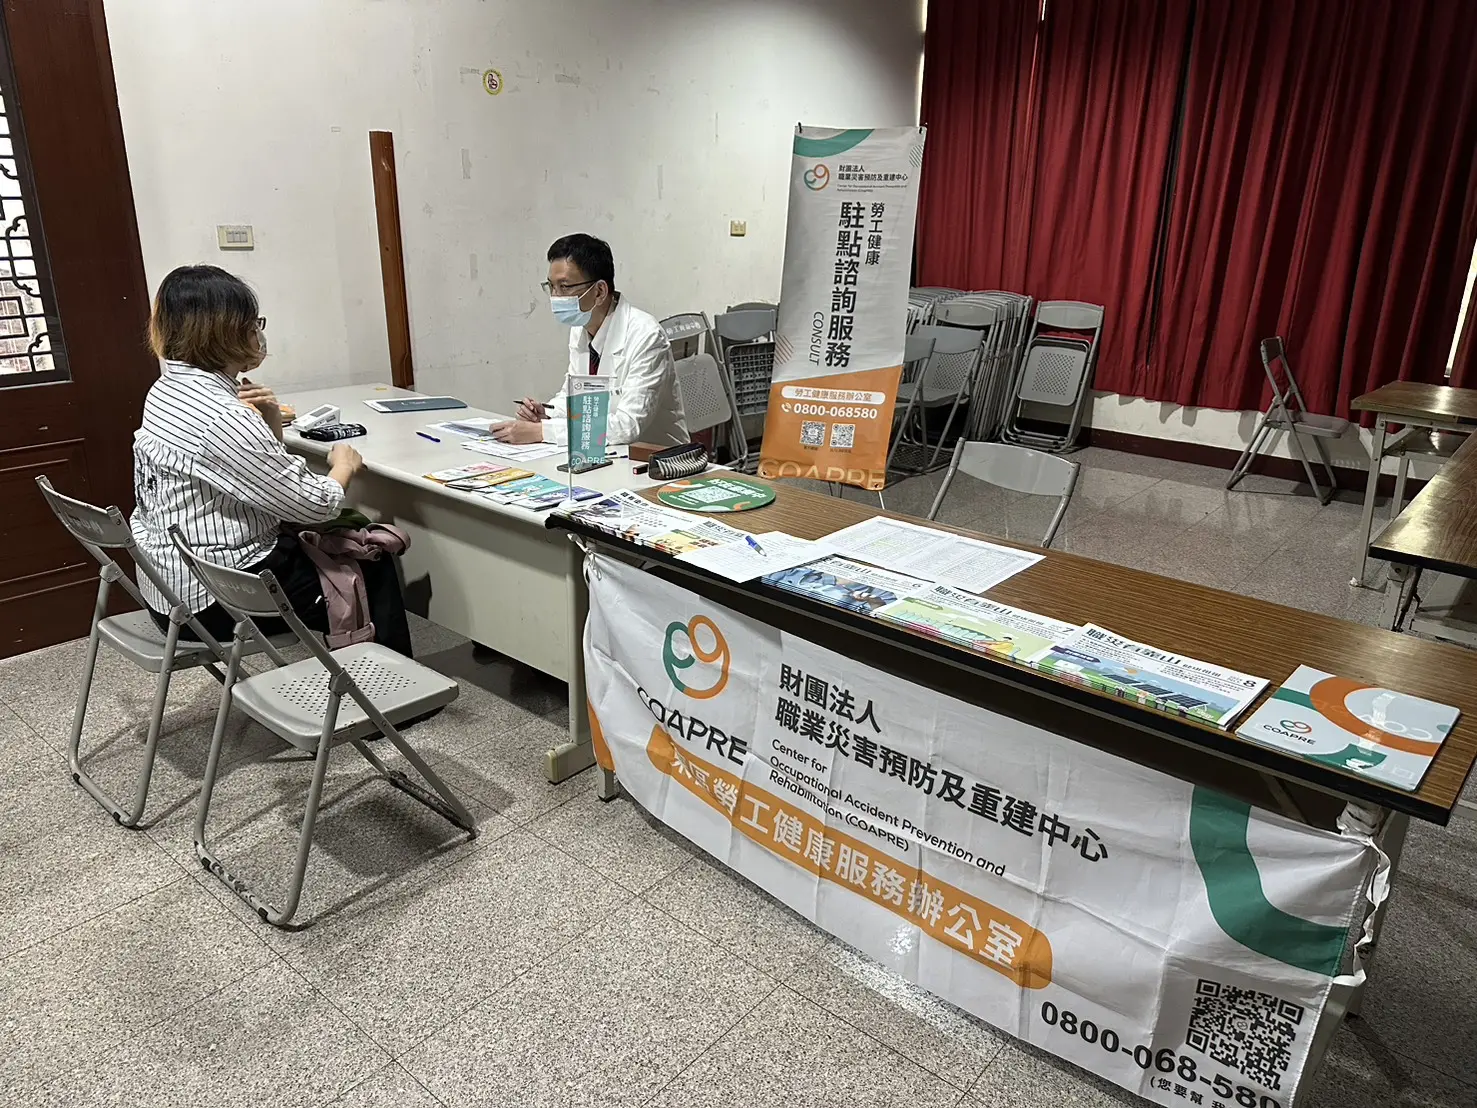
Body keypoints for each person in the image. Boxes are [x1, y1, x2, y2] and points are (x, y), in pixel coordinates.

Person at [130, 264, 413, 656]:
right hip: (213, 603)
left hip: (167, 586)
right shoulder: (223, 415)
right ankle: (388, 683)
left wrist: (270, 426)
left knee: (337, 535)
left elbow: (254, 481)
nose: (258, 334)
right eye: (253, 323)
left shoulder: (166, 390)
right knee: (370, 556)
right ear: (228, 331)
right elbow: (313, 505)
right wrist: (343, 466)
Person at [491, 233, 688, 448]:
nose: (555, 296)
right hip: (603, 452)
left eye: (564, 286)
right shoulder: (581, 328)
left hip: (657, 457)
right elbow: (574, 399)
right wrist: (546, 414)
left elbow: (628, 426)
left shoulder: (646, 336)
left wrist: (542, 432)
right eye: (551, 286)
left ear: (600, 291)